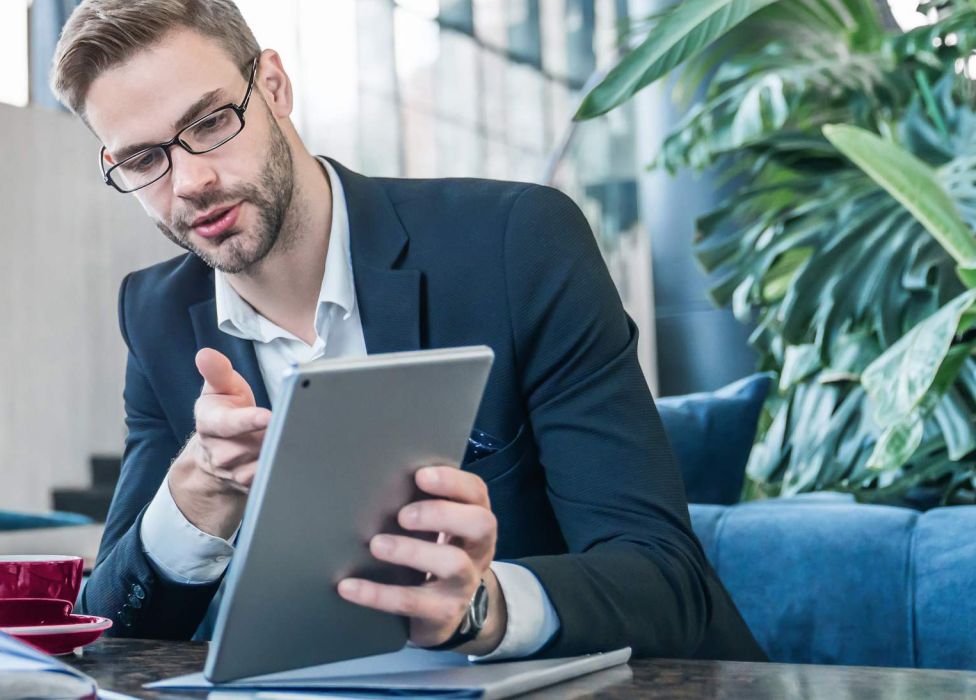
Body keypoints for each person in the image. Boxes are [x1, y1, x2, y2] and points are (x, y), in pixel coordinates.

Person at [51, 0, 764, 661]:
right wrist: (194, 500)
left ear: (273, 86)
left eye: (210, 122)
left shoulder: (516, 245)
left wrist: (482, 608)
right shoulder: (158, 316)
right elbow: (112, 634)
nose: (190, 182)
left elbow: (667, 579)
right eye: (145, 160)